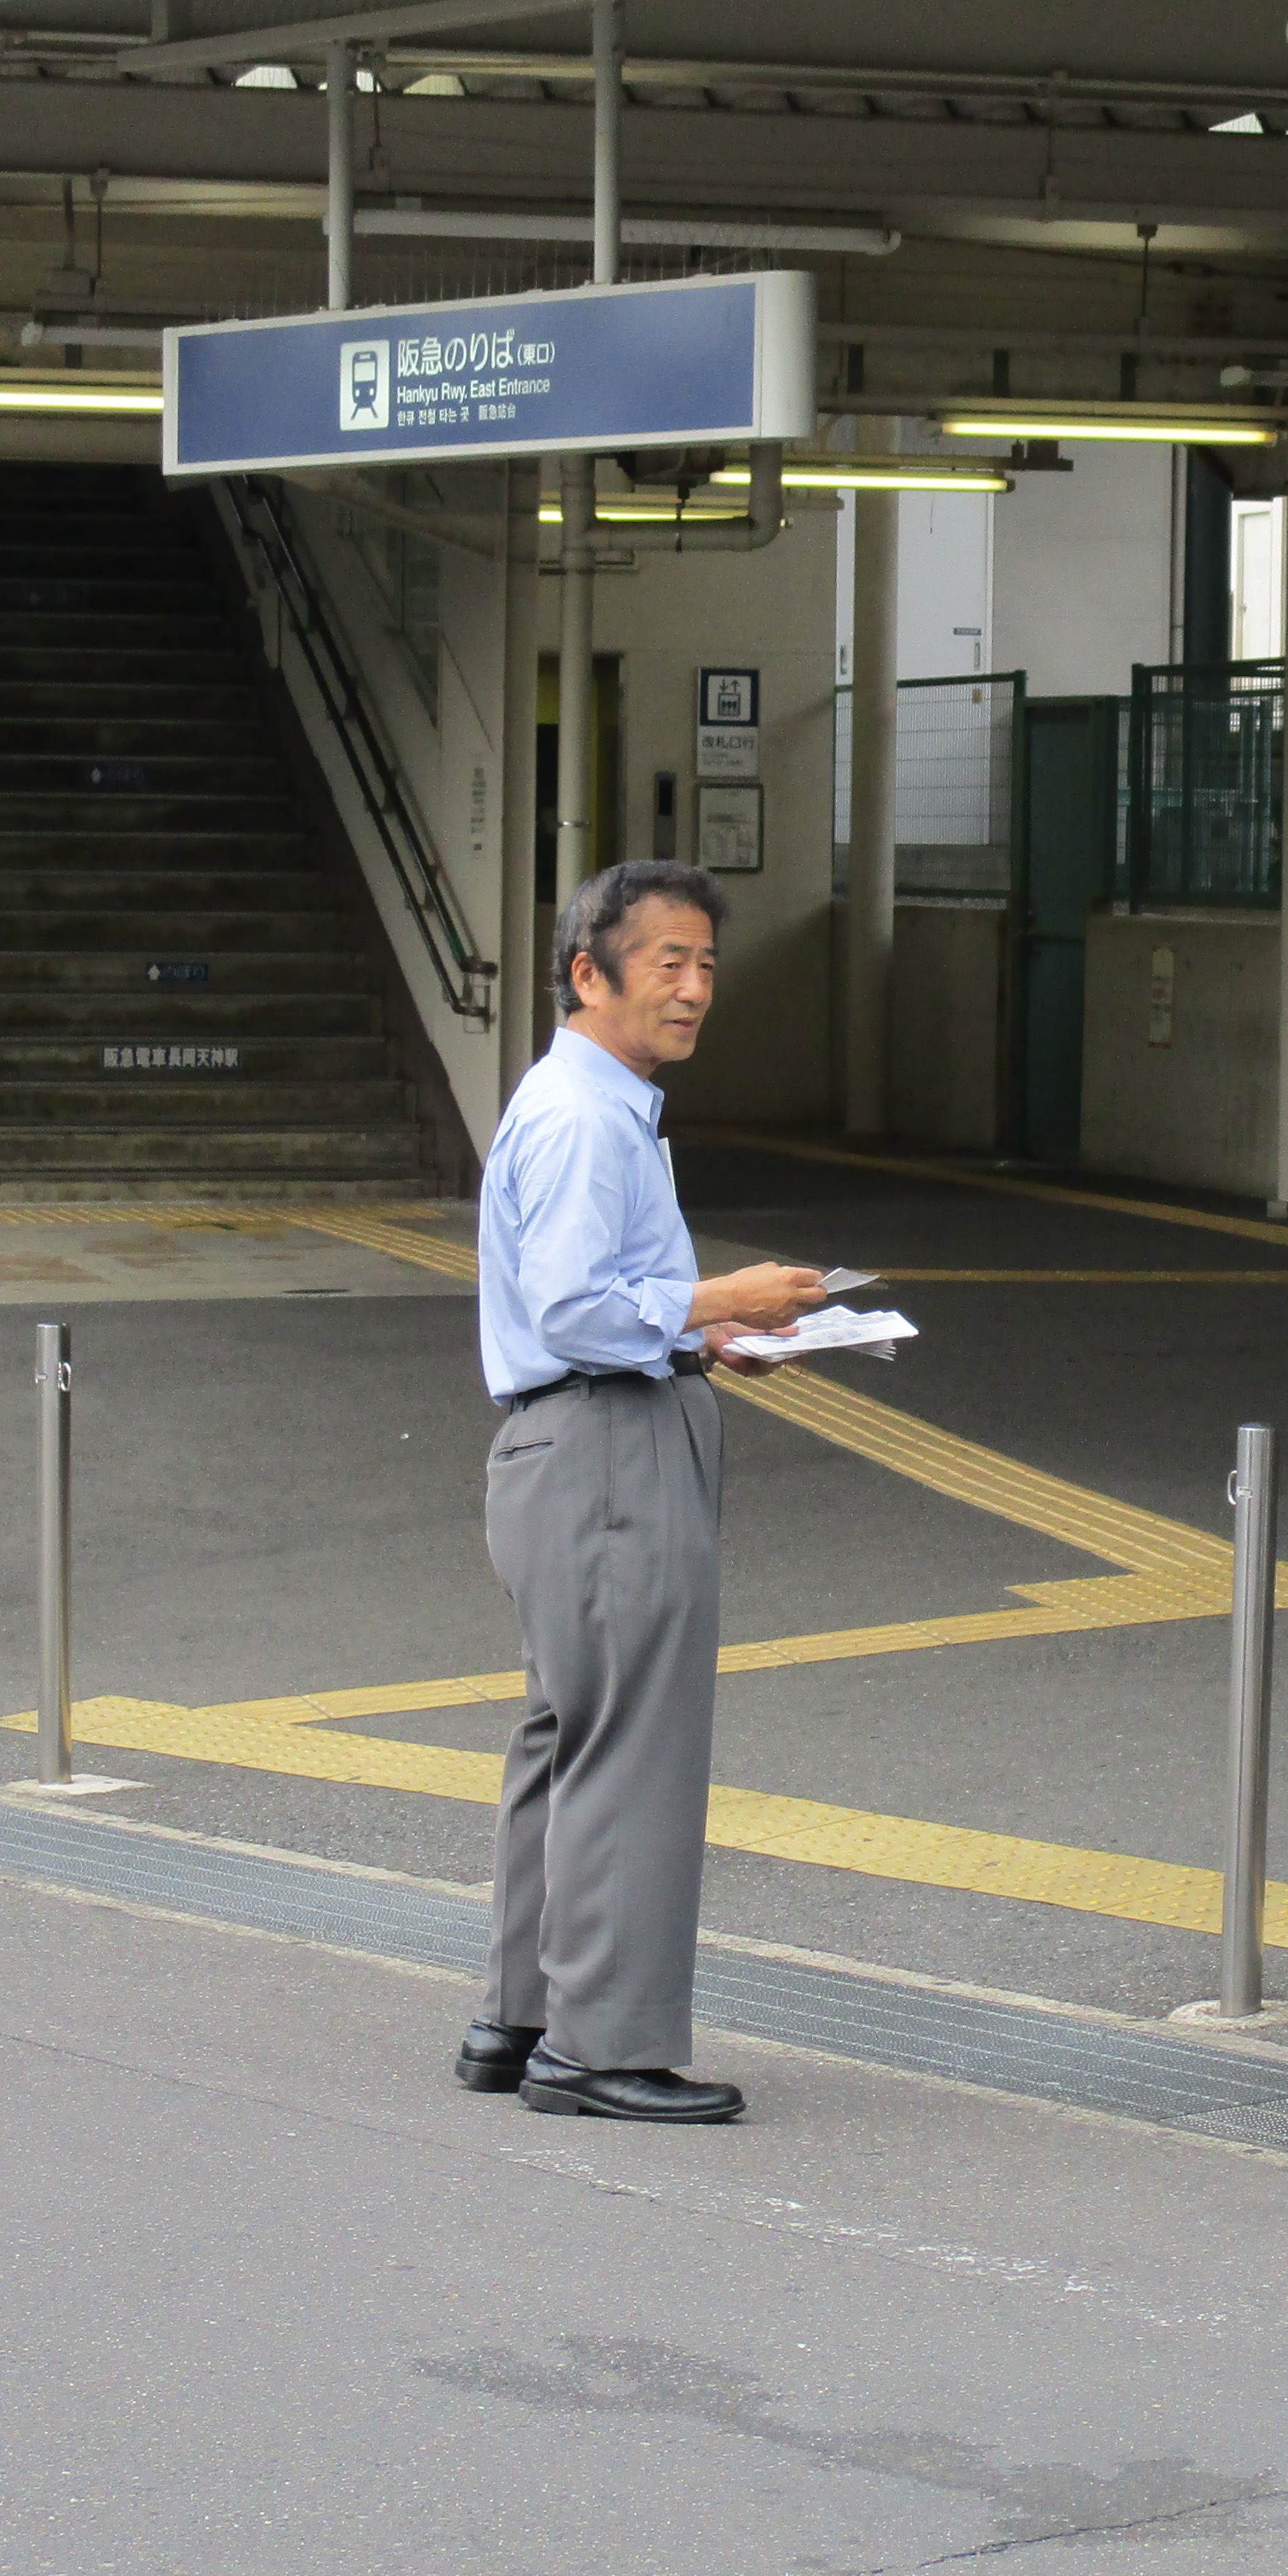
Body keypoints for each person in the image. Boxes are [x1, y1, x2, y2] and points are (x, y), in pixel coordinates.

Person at [456, 861, 826, 2125]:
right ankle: (597, 2048)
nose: (694, 986)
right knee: (632, 1751)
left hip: (574, 1444)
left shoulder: (589, 1103)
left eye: (708, 963)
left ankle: (521, 2018)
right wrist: (727, 1301)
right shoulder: (584, 1117)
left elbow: (591, 1303)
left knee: (568, 1738)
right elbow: (570, 1309)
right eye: (666, 960)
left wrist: (700, 1338)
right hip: (606, 1449)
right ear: (588, 973)